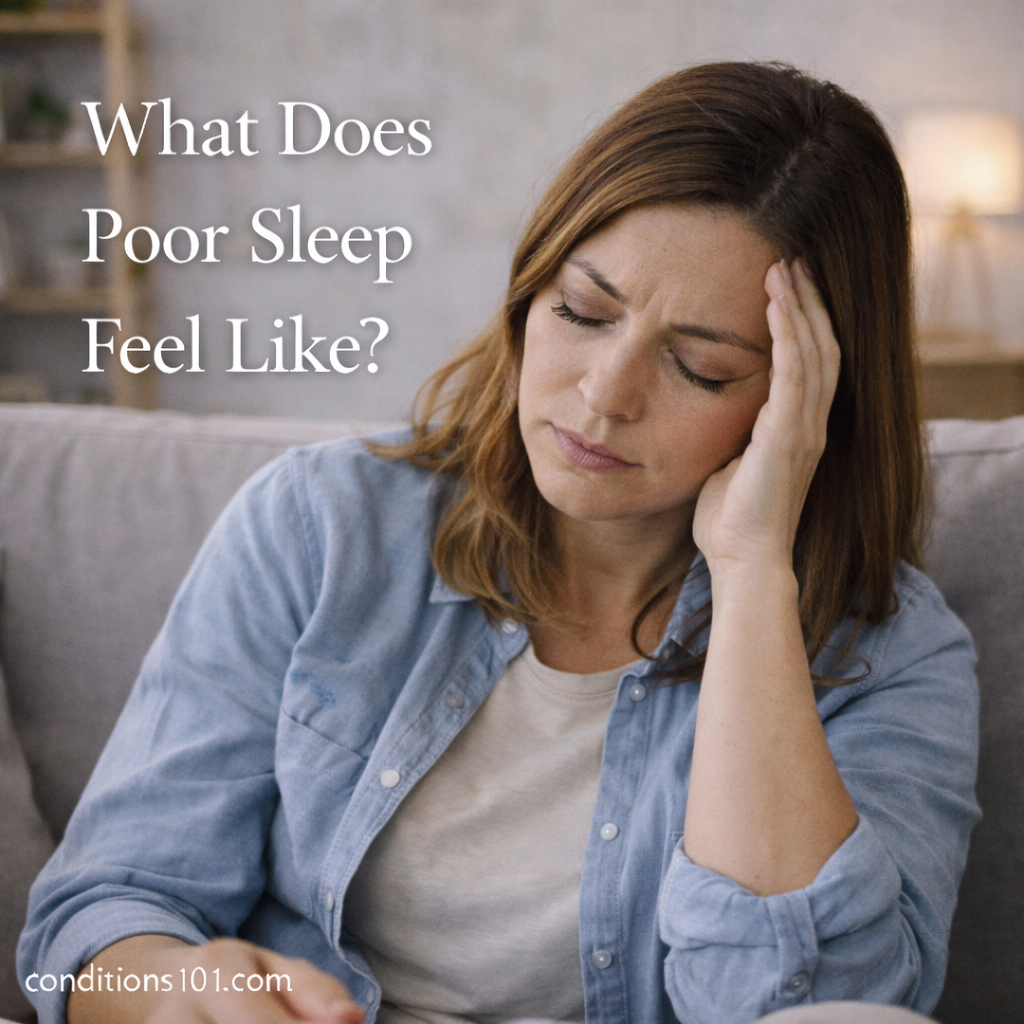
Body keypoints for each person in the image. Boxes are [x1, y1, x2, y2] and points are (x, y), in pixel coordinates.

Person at [19, 62, 979, 1024]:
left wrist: (755, 572)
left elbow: (807, 1006)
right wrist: (170, 991)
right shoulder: (320, 527)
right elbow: (99, 912)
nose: (605, 394)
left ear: (808, 405)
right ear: (528, 290)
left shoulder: (889, 655)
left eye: (701, 367)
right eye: (582, 312)